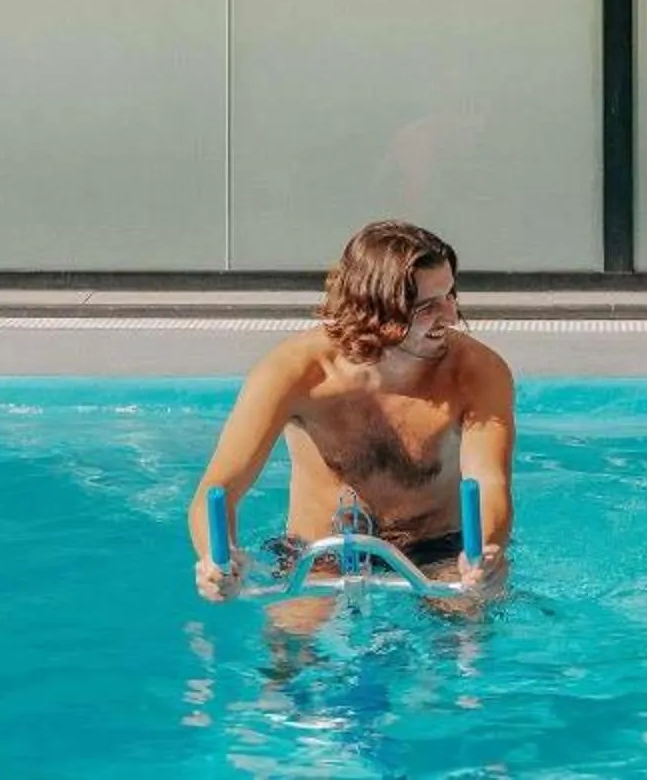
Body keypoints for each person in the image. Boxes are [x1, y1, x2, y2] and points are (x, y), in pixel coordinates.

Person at [189, 219, 514, 603]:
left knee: (468, 618)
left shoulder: (476, 373)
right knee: (291, 636)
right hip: (318, 556)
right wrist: (218, 559)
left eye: (450, 295)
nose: (451, 316)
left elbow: (489, 481)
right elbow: (218, 489)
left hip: (440, 552)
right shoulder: (296, 373)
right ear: (376, 310)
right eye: (428, 306)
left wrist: (486, 554)